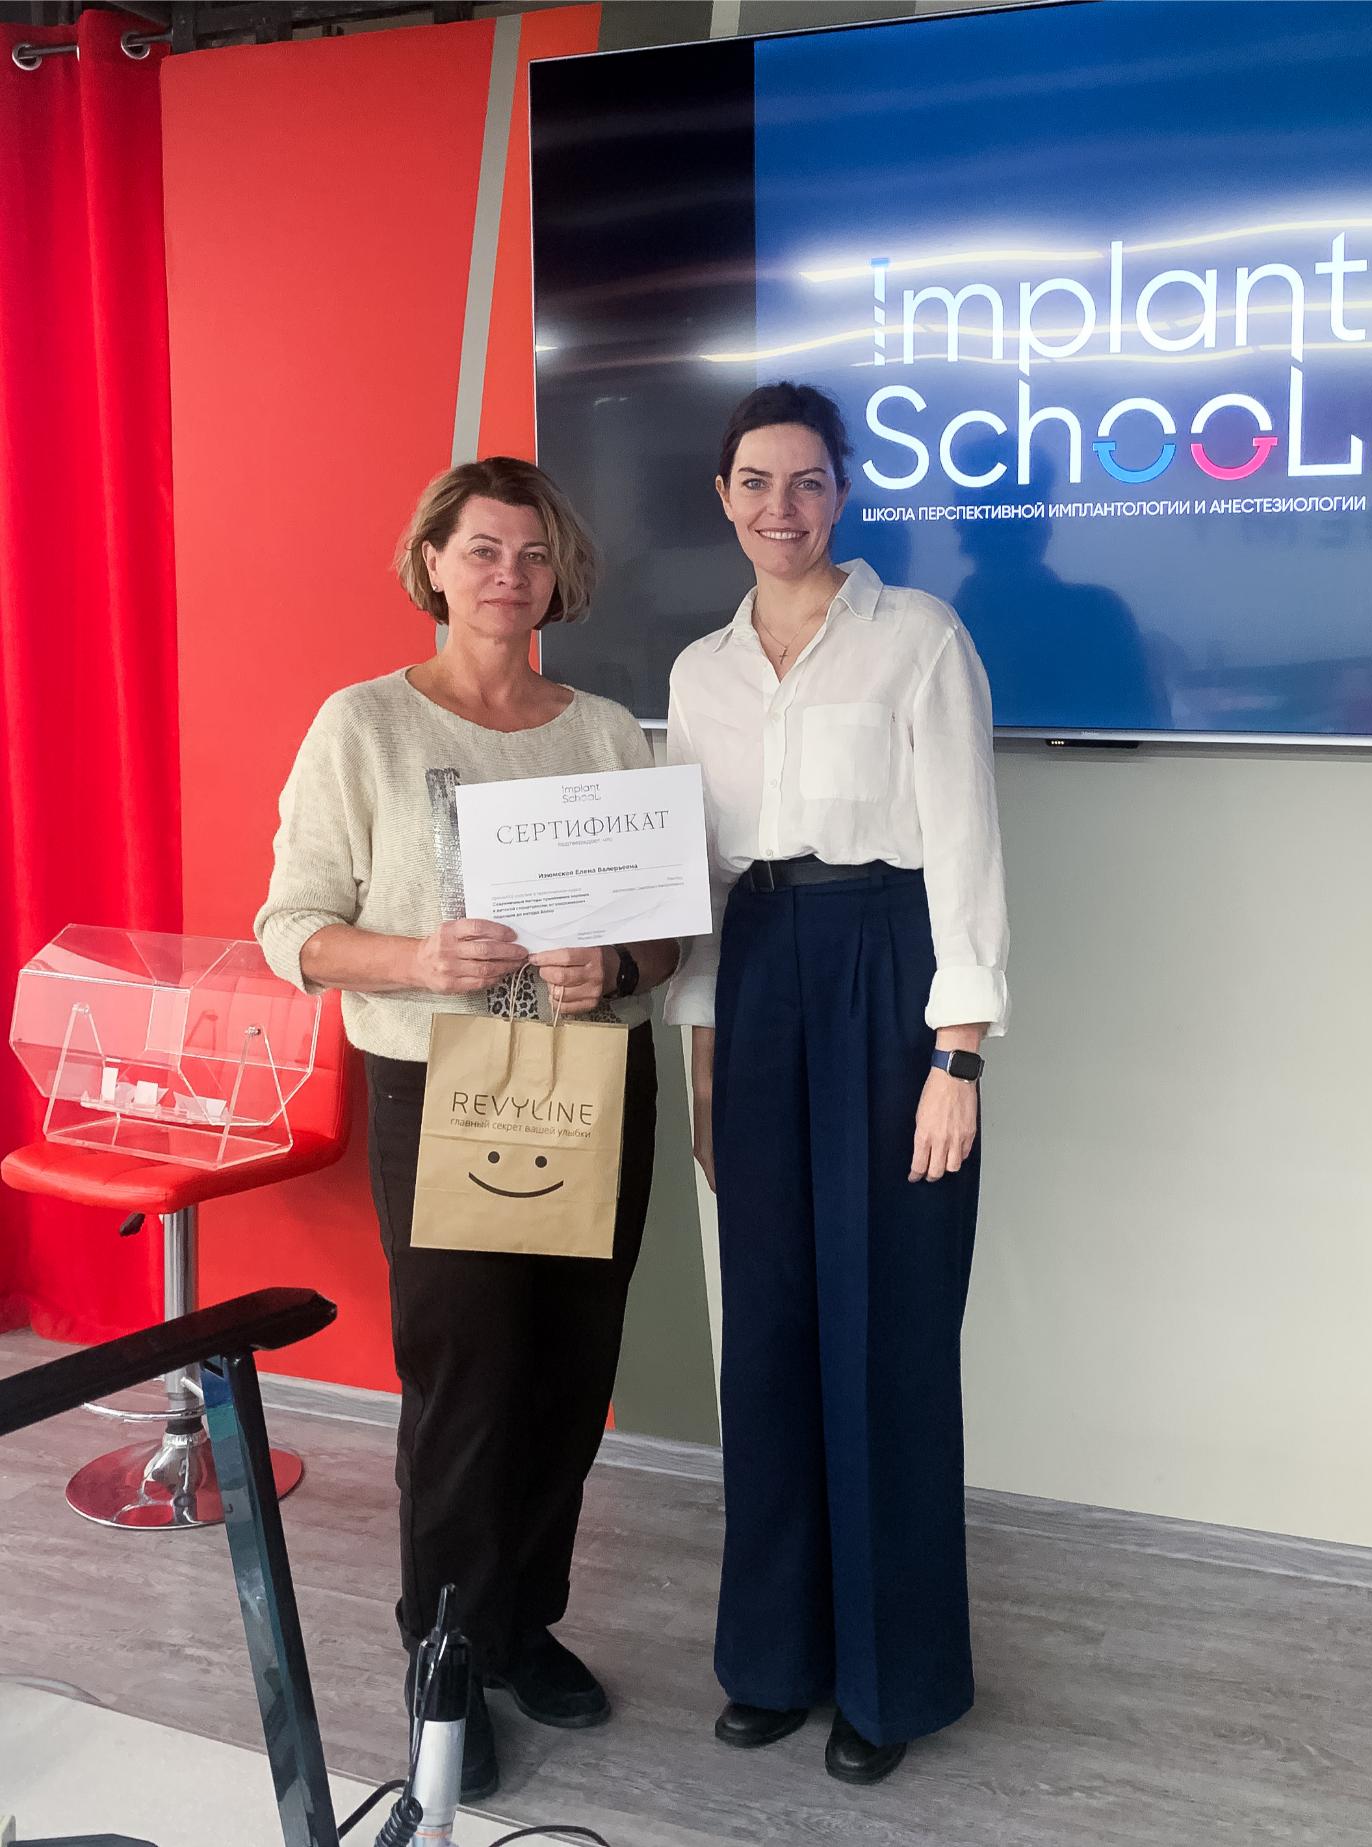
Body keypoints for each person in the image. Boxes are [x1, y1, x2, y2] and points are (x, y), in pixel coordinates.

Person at [255, 456, 678, 1801]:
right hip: (440, 1088)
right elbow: (289, 930)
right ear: (432, 563)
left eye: (533, 554)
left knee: (568, 1369)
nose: (509, 576)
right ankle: (443, 1654)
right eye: (483, 550)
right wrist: (414, 961)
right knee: (467, 1382)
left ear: (562, 576)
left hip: (592, 1081)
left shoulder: (605, 732)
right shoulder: (364, 725)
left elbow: (667, 935)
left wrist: (614, 966)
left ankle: (521, 1626)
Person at [664, 382, 1009, 1787]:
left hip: (886, 968)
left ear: (843, 491)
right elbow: (697, 885)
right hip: (754, 978)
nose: (781, 507)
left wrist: (956, 1056)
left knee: (886, 1332)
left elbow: (966, 850)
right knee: (767, 1331)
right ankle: (774, 1658)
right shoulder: (700, 672)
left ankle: (887, 1678)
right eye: (755, 482)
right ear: (723, 497)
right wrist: (702, 1066)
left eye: (807, 481)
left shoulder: (916, 638)